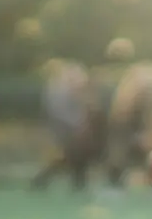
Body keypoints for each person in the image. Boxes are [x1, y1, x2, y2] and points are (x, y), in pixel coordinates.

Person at [32, 59, 104, 190]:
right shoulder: (58, 90)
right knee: (71, 156)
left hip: (72, 128)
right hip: (67, 129)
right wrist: (79, 125)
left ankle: (73, 183)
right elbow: (60, 114)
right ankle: (44, 180)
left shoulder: (63, 85)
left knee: (73, 157)